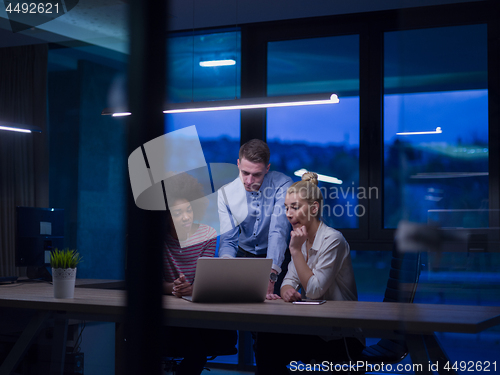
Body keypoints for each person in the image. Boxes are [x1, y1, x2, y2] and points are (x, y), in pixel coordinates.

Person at [255, 172, 364, 374]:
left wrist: (295, 251)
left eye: (295, 207)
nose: (288, 214)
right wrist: (287, 290)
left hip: (340, 336)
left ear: (314, 208)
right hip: (315, 328)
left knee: (269, 343)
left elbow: (314, 291)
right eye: (286, 207)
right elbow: (288, 281)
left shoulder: (333, 240)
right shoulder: (301, 238)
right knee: (266, 338)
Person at [162, 172, 237, 375]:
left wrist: (189, 288)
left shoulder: (207, 235)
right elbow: (149, 281)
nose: (186, 217)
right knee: (195, 347)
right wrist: (173, 288)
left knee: (200, 345)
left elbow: (204, 280)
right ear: (166, 215)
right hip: (167, 314)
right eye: (178, 213)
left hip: (197, 312)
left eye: (189, 210)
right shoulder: (157, 240)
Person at [218, 139, 292, 298]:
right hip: (243, 257)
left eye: (257, 174)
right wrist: (225, 267)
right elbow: (228, 241)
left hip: (278, 260)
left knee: (278, 312)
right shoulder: (226, 193)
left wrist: (271, 275)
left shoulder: (283, 185)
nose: (249, 181)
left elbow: (278, 231)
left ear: (267, 168)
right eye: (245, 173)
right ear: (238, 164)